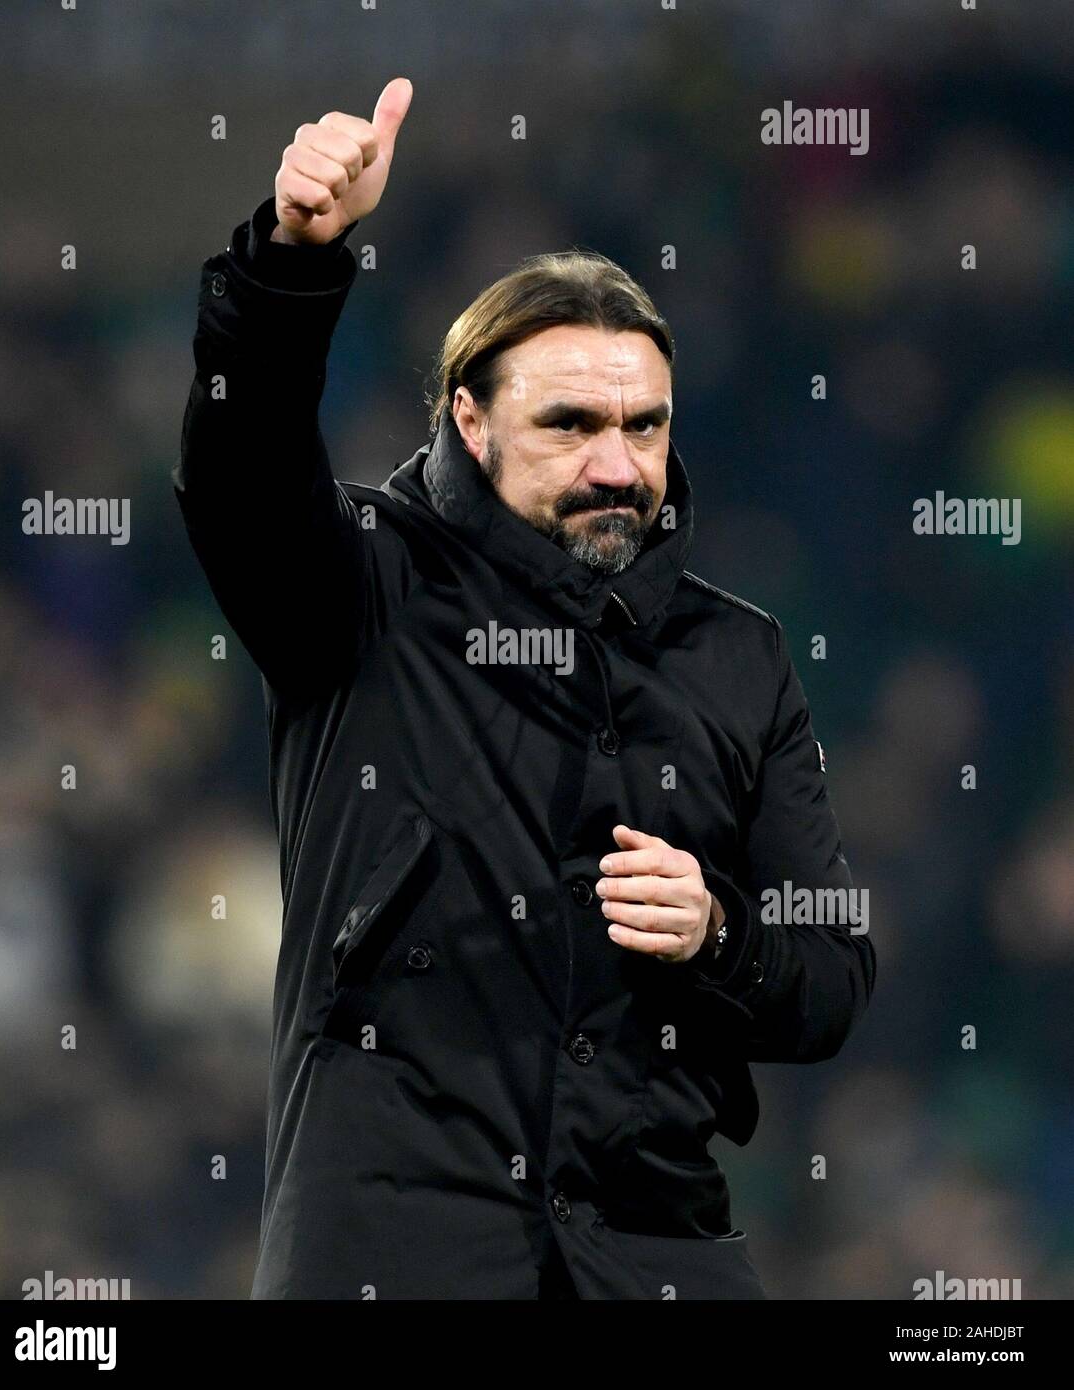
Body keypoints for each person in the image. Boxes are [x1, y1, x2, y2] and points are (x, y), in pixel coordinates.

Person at [174, 77, 875, 1300]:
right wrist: (293, 259)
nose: (619, 466)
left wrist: (717, 933)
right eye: (570, 425)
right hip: (394, 1253)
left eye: (645, 427)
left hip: (655, 1250)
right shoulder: (361, 589)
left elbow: (827, 984)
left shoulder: (739, 656)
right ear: (471, 420)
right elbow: (237, 475)